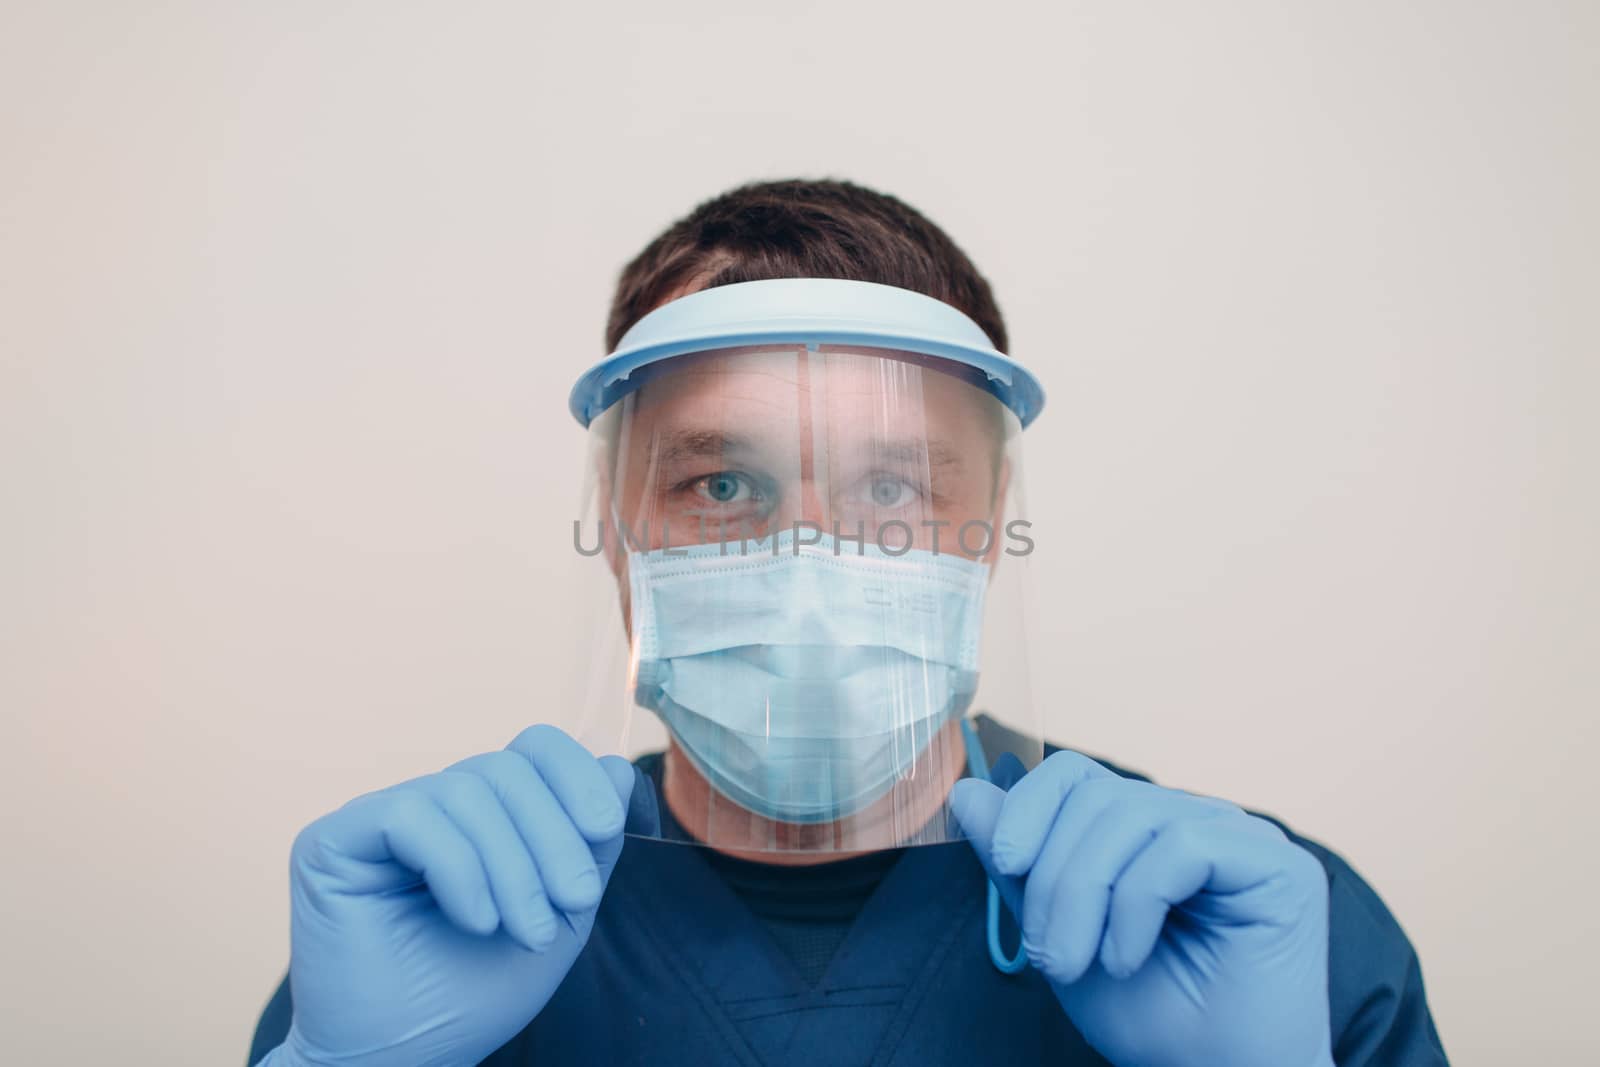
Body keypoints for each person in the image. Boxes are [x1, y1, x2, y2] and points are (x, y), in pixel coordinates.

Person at [248, 179, 1448, 1066]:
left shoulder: (1246, 924)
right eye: (720, 484)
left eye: (892, 489)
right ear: (615, 531)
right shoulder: (431, 927)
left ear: (989, 526)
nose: (810, 562)